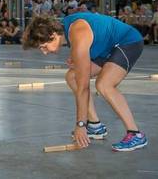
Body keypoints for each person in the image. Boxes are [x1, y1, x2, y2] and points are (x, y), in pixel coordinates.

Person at [22, 12, 148, 152]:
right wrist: (77, 56)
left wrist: (80, 125)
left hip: (128, 42)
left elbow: (84, 87)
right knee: (72, 77)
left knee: (104, 84)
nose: (44, 52)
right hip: (108, 48)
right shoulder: (67, 29)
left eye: (43, 47)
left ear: (53, 35)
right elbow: (93, 39)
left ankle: (135, 134)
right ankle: (95, 126)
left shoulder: (78, 32)